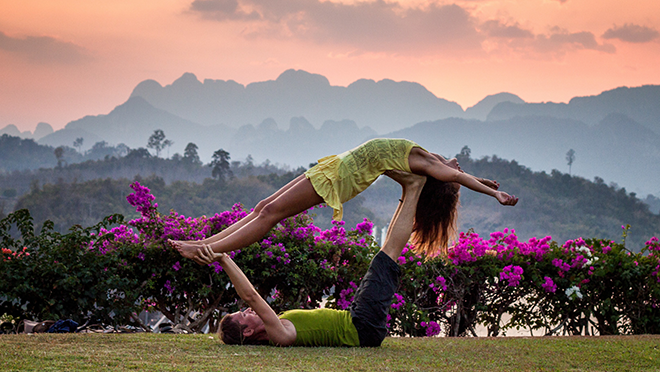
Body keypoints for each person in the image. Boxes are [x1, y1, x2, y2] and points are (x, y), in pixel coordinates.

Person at [170, 138, 518, 263]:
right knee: (264, 206)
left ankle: (210, 251)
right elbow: (460, 175)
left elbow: (456, 177)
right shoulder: (428, 159)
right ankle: (204, 243)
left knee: (271, 213)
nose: (458, 165)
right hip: (335, 167)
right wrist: (485, 181)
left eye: (456, 171)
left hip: (340, 179)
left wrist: (494, 193)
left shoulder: (431, 167)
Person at [200, 170, 427, 346]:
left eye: (243, 310)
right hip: (362, 327)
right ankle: (415, 187)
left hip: (357, 320)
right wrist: (223, 257)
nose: (247, 310)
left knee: (385, 254)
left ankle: (409, 190)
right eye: (243, 314)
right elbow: (250, 295)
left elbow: (250, 299)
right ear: (248, 331)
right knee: (387, 257)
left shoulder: (279, 326)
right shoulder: (279, 335)